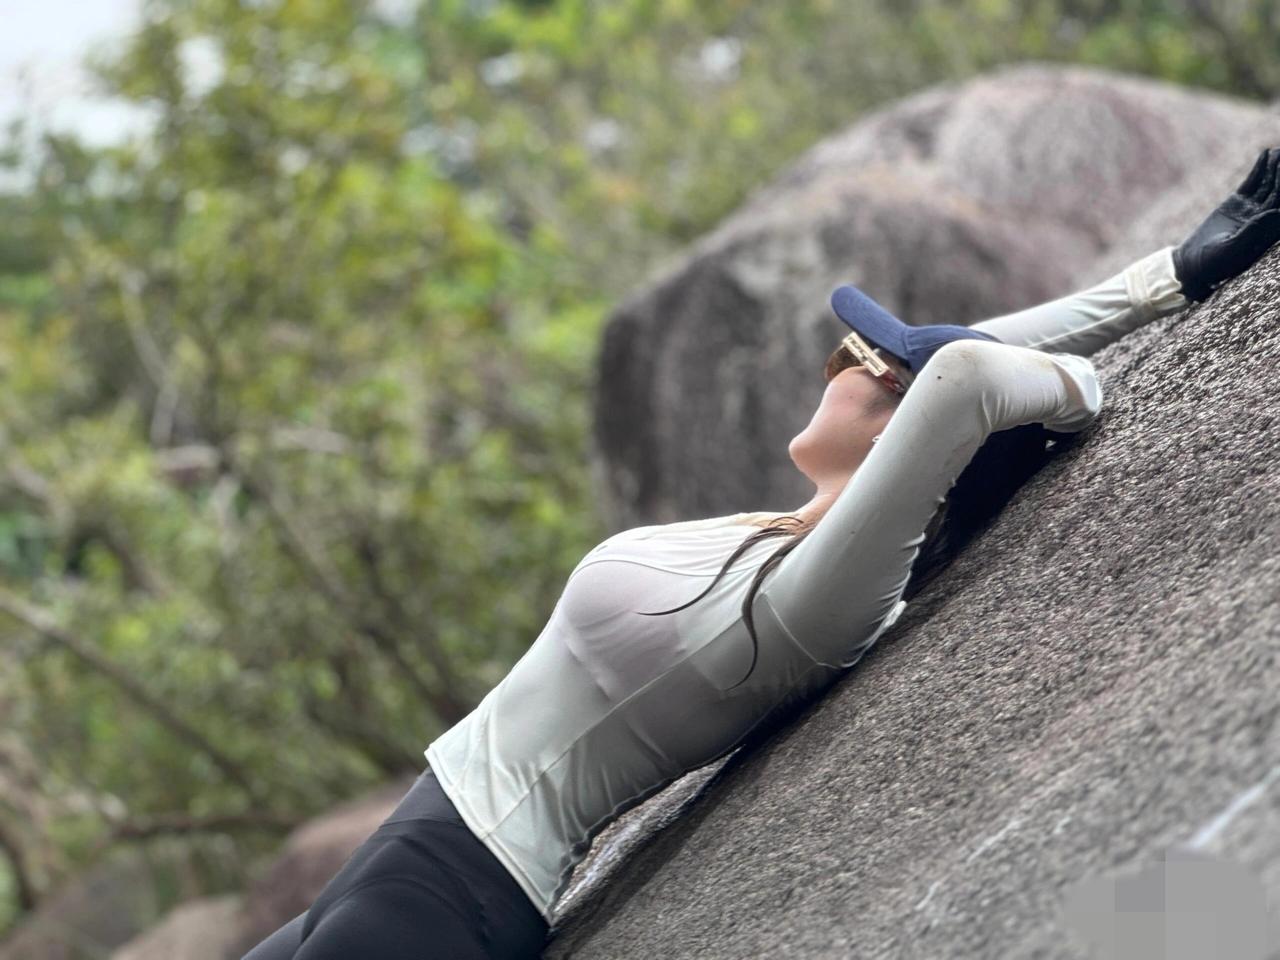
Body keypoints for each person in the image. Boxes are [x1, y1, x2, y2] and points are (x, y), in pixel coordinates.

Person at [242, 147, 1280, 960]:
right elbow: (948, 356)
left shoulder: (801, 612)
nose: (830, 366)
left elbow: (960, 370)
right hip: (405, 856)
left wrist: (1077, 396)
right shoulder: (771, 543)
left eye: (853, 361)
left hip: (454, 891)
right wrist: (1164, 280)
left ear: (894, 422)